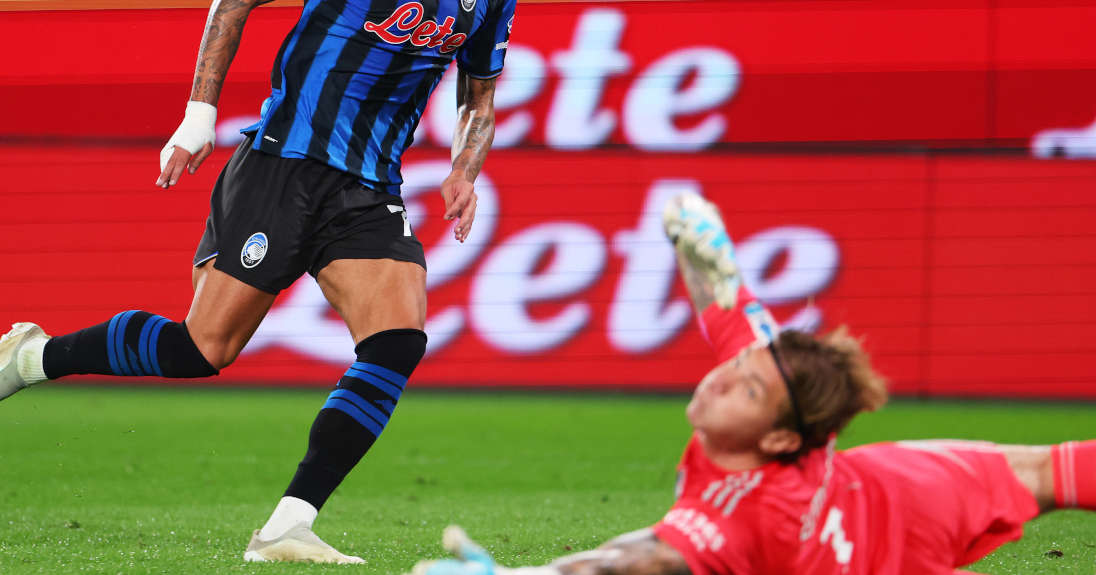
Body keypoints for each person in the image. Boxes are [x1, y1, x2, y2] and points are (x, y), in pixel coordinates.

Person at [0, 0, 518, 566]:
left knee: (397, 337)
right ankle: (33, 357)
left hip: (367, 187)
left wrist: (466, 165)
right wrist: (200, 116)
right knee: (200, 351)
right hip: (282, 162)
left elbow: (478, 93)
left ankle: (287, 525)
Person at [410, 190, 1094, 575]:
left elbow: (640, 561)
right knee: (1042, 471)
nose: (718, 381)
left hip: (879, 521)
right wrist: (703, 245)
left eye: (743, 389)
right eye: (735, 370)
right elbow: (730, 311)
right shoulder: (772, 388)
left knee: (1046, 472)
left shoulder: (747, 512)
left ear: (777, 436)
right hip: (893, 493)